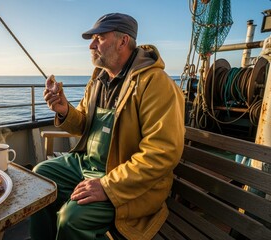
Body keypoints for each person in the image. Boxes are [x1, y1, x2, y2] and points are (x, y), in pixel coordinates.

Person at [30, 13, 185, 240]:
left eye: (99, 38)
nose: (91, 45)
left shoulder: (155, 83)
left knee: (70, 218)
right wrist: (65, 110)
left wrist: (107, 186)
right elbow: (84, 124)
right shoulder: (98, 80)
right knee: (39, 178)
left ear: (123, 41)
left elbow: (162, 153)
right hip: (88, 166)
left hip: (128, 182)